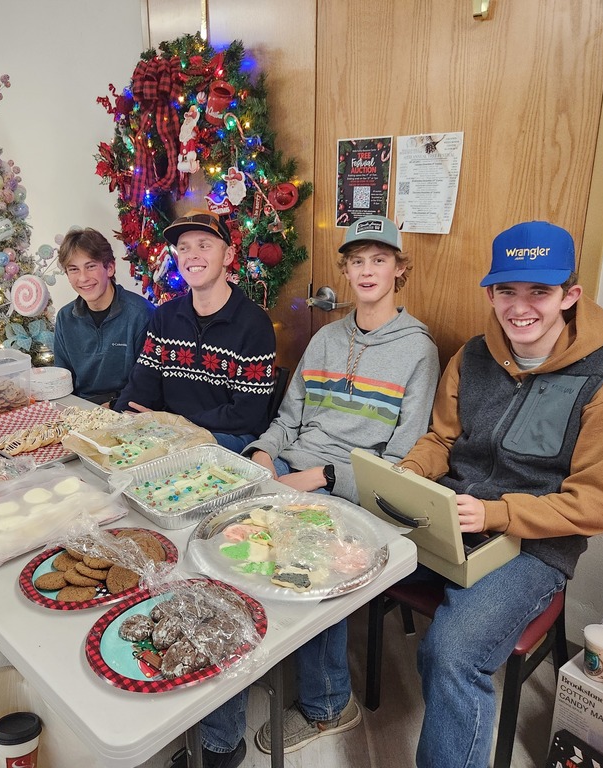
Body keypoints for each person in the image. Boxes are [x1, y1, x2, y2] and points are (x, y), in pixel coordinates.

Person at [171, 215, 440, 768]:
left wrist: (321, 479)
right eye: (356, 261)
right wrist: (263, 454)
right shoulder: (325, 337)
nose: (366, 271)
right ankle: (221, 732)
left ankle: (327, 704)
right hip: (291, 467)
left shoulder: (418, 350)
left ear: (399, 270)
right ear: (345, 270)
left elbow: (401, 462)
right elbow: (286, 419)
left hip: (355, 486)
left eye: (379, 260)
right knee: (223, 546)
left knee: (310, 559)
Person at [394, 220, 603, 767]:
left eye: (540, 291)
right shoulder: (472, 355)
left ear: (570, 295)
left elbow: (594, 504)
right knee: (355, 565)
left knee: (452, 652)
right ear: (491, 293)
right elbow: (441, 437)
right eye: (508, 290)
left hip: (535, 547)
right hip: (453, 516)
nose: (520, 306)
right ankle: (327, 701)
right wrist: (411, 472)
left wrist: (497, 512)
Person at [113, 211, 275, 452]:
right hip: (170, 432)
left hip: (227, 438)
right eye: (184, 248)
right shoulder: (164, 317)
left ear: (227, 255)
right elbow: (142, 384)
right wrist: (119, 421)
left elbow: (246, 414)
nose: (192, 256)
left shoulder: (255, 325)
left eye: (204, 245)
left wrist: (177, 425)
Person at [53, 227, 153, 405]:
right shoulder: (64, 318)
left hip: (127, 409)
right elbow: (62, 381)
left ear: (110, 268)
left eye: (90, 266)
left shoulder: (141, 314)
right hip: (80, 411)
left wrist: (114, 407)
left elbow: (147, 384)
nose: (83, 278)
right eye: (74, 269)